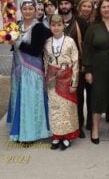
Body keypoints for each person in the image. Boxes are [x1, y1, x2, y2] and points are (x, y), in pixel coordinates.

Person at [7, 0, 51, 143]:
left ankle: (31, 134)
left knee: (31, 101)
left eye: (30, 9)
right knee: (19, 99)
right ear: (21, 10)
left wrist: (17, 43)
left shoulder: (38, 27)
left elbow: (36, 50)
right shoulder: (16, 26)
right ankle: (19, 130)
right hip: (18, 68)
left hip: (32, 70)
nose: (27, 11)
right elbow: (12, 46)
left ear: (35, 10)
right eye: (24, 9)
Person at [83, 0, 109, 145]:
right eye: (103, 7)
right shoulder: (93, 27)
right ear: (99, 10)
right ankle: (95, 130)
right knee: (97, 99)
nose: (106, 9)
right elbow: (87, 50)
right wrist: (88, 70)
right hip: (98, 68)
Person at [44, 14, 79, 150]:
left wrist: (74, 82)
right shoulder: (47, 42)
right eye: (53, 25)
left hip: (67, 78)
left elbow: (75, 62)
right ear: (50, 26)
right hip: (53, 80)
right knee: (55, 108)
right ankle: (56, 136)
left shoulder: (70, 41)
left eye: (59, 25)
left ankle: (67, 136)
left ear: (63, 26)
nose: (56, 27)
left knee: (67, 108)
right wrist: (47, 80)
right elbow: (46, 62)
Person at [58, 0, 88, 138]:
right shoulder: (55, 21)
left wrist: (86, 66)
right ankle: (63, 126)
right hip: (59, 68)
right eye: (62, 4)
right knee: (62, 99)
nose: (64, 6)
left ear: (71, 5)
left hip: (77, 67)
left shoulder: (81, 22)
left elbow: (87, 47)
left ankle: (78, 126)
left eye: (66, 3)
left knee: (78, 98)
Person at [76, 0, 94, 130]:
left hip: (93, 63)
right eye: (84, 6)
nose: (86, 9)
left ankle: (91, 123)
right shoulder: (74, 21)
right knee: (79, 95)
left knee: (92, 95)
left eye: (89, 6)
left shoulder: (95, 22)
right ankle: (79, 123)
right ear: (80, 7)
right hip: (78, 63)